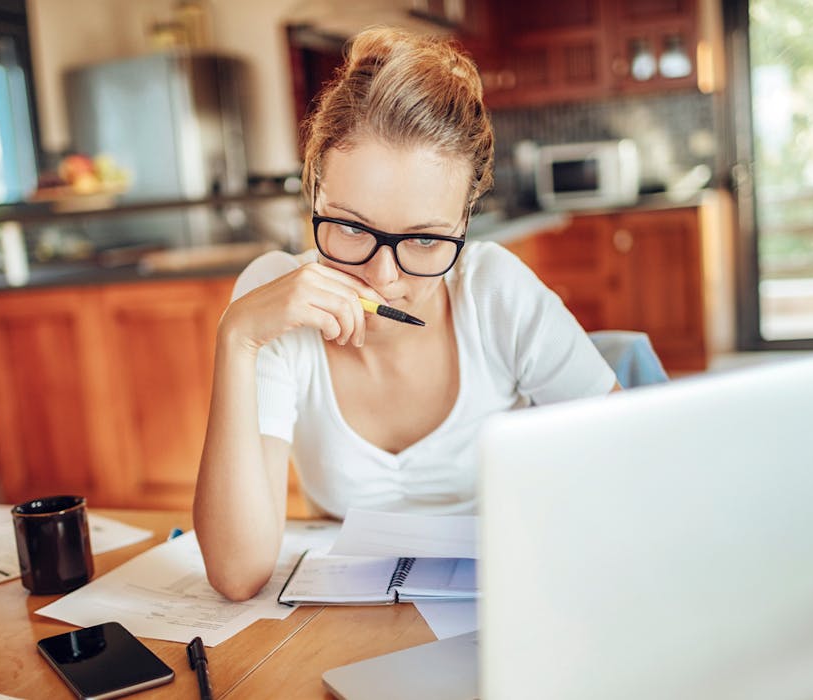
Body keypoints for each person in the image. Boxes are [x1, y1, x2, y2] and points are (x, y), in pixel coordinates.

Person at [194, 26, 619, 601]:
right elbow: (237, 573)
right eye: (348, 227)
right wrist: (237, 337)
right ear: (314, 190)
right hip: (346, 617)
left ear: (465, 220)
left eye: (424, 241)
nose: (382, 278)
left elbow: (630, 473)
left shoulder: (494, 291)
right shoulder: (273, 296)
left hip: (514, 594)